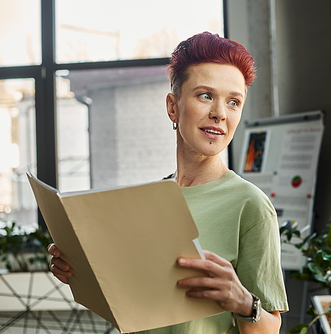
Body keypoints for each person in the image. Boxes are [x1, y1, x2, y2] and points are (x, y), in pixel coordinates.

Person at [48, 32, 289, 334]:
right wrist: (76, 267)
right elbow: (132, 305)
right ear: (173, 107)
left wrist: (244, 302)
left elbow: (270, 327)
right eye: (205, 96)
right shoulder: (151, 200)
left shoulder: (250, 206)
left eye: (233, 102)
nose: (219, 114)